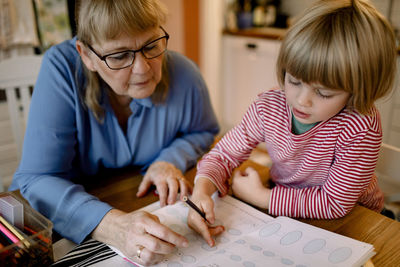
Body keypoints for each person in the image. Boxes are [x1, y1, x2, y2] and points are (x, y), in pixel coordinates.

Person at [9, 0, 219, 265]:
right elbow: (37, 178)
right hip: (57, 230)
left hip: (134, 201)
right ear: (86, 55)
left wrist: (170, 160)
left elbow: (202, 131)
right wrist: (114, 226)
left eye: (151, 45)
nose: (143, 68)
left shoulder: (186, 73)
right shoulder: (61, 68)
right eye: (119, 56)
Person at [188, 0, 397, 247]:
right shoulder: (269, 107)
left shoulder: (361, 126)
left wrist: (262, 197)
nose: (301, 100)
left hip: (356, 218)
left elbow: (335, 203)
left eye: (324, 93)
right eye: (294, 80)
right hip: (288, 207)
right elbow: (223, 155)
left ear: (357, 91)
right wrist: (201, 190)